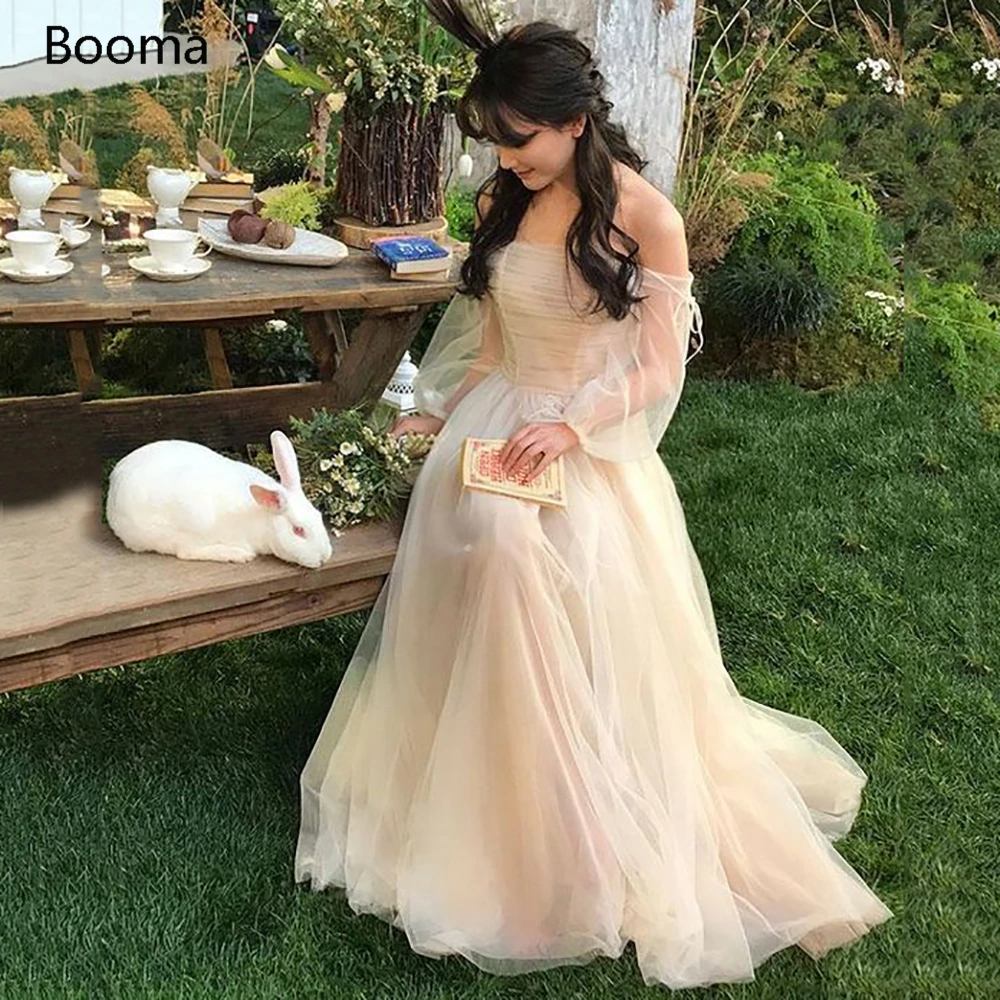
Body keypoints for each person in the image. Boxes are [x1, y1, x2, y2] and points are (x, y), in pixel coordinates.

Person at [293, 3, 893, 989]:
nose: (505, 159)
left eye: (519, 139)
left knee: (518, 549)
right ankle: (487, 781)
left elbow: (658, 366)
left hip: (584, 434)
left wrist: (572, 426)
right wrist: (439, 414)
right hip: (496, 424)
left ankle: (573, 818)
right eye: (496, 142)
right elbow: (492, 341)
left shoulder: (647, 217)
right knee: (487, 535)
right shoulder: (503, 200)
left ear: (575, 122)